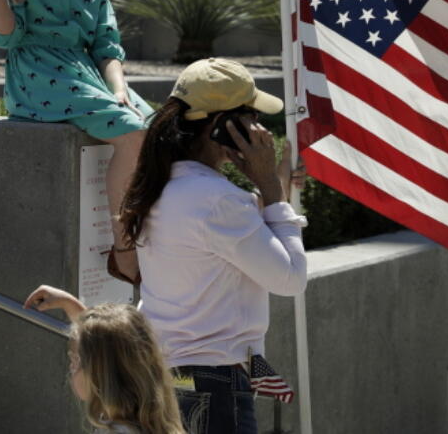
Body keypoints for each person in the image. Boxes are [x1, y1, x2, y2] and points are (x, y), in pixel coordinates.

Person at [119, 58, 307, 434]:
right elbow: (290, 279)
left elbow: (228, 237)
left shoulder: (163, 184)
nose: (258, 127)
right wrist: (270, 185)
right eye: (251, 116)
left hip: (170, 377)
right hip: (214, 384)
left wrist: (275, 184)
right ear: (225, 126)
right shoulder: (216, 201)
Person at [0, 0, 150, 280]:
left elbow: (107, 46)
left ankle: (157, 236)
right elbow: (4, 38)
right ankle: (124, 247)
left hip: (86, 74)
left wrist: (119, 89)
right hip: (36, 75)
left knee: (159, 129)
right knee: (132, 132)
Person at [24, 285, 186, 434]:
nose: (71, 368)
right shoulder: (145, 423)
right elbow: (107, 344)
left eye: (75, 361)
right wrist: (69, 303)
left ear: (99, 374)